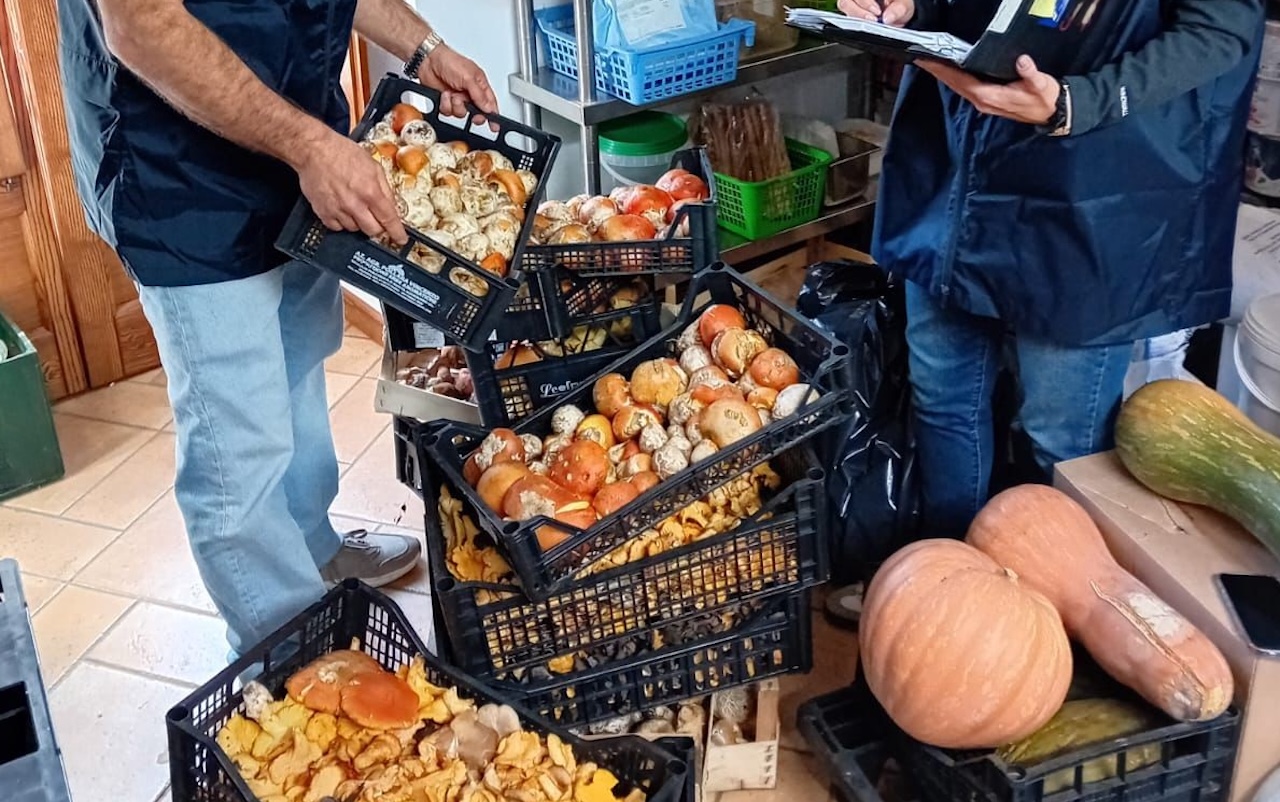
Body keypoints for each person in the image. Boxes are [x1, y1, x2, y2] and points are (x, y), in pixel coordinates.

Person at [58, 0, 497, 657]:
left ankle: (314, 551)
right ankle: (289, 650)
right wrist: (311, 147)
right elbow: (141, 21)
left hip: (294, 144)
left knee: (298, 364)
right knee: (238, 446)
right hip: (180, 175)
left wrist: (423, 46)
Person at [838, 0, 1265, 539]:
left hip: (1092, 184)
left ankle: (1048, 599)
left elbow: (1219, 30)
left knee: (1061, 439)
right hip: (958, 162)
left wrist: (1080, 102)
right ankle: (948, 574)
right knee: (943, 399)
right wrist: (906, 8)